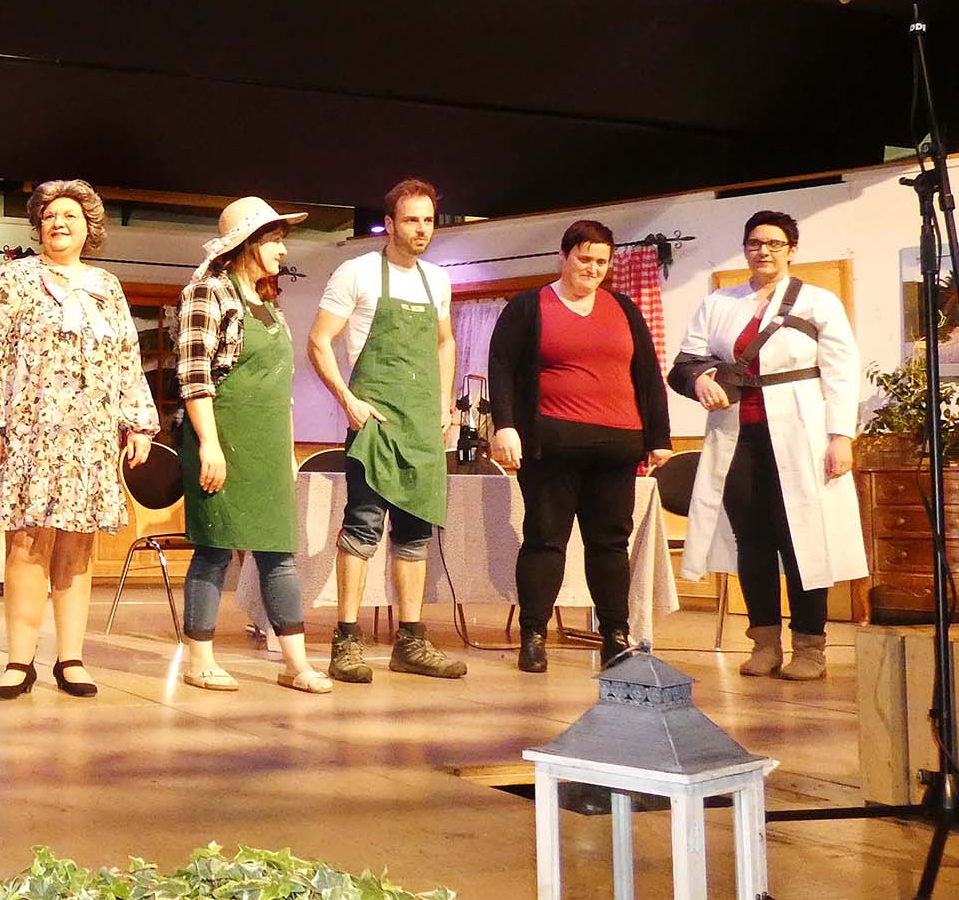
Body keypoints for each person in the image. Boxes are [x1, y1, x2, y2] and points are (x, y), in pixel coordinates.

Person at [0, 179, 158, 699]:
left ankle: (71, 658)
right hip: (27, 433)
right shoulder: (16, 278)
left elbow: (126, 358)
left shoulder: (106, 286)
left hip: (90, 438)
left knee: (77, 545)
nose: (59, 222)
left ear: (89, 227)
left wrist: (139, 421)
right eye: (50, 215)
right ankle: (18, 661)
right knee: (27, 543)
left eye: (70, 215)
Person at [669, 210, 865, 680]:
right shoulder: (720, 302)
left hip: (801, 433)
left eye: (775, 243)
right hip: (737, 436)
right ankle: (764, 643)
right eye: (755, 242)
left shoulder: (818, 302)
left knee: (802, 538)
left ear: (791, 250)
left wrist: (841, 437)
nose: (764, 251)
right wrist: (701, 380)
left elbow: (842, 372)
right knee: (751, 540)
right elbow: (684, 363)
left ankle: (810, 647)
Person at [487, 220, 673, 672]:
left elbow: (648, 374)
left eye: (601, 262)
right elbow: (502, 368)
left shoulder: (624, 309)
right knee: (545, 540)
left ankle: (615, 636)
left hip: (617, 446)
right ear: (564, 256)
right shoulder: (530, 306)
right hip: (552, 446)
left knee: (610, 544)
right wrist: (505, 426)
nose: (592, 268)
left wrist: (659, 437)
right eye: (584, 258)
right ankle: (534, 636)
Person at [307, 177, 468, 682]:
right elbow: (318, 342)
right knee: (362, 527)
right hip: (374, 422)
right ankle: (346, 641)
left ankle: (411, 642)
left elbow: (445, 341)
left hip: (422, 427)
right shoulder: (357, 273)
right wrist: (348, 400)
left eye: (428, 220)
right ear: (390, 224)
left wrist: (444, 402)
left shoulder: (437, 280)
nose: (422, 229)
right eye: (411, 220)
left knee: (415, 534)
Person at [175, 197, 332, 694]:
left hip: (267, 446)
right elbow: (194, 378)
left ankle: (296, 664)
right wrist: (210, 445)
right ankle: (199, 660)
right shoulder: (208, 292)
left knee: (278, 554)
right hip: (222, 437)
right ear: (247, 243)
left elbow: (281, 392)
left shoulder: (269, 304)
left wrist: (287, 453)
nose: (283, 251)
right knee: (214, 550)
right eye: (275, 240)